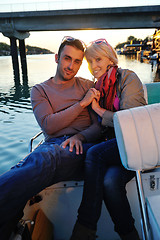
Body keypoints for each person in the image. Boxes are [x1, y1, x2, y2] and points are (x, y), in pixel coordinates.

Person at [0, 37, 103, 240]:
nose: (71, 66)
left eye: (77, 62)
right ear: (57, 58)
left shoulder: (87, 86)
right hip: (52, 146)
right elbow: (49, 125)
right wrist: (81, 105)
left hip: (83, 147)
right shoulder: (39, 90)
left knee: (45, 158)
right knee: (31, 163)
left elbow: (98, 126)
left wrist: (80, 137)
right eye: (67, 59)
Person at [69, 39, 147, 240]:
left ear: (110, 59)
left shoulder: (128, 78)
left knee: (95, 154)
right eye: (89, 61)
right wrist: (78, 135)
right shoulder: (98, 88)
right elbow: (98, 129)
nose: (93, 66)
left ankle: (85, 227)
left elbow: (131, 121)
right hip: (116, 149)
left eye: (98, 59)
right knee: (110, 181)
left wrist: (97, 109)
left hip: (136, 142)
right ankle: (130, 236)